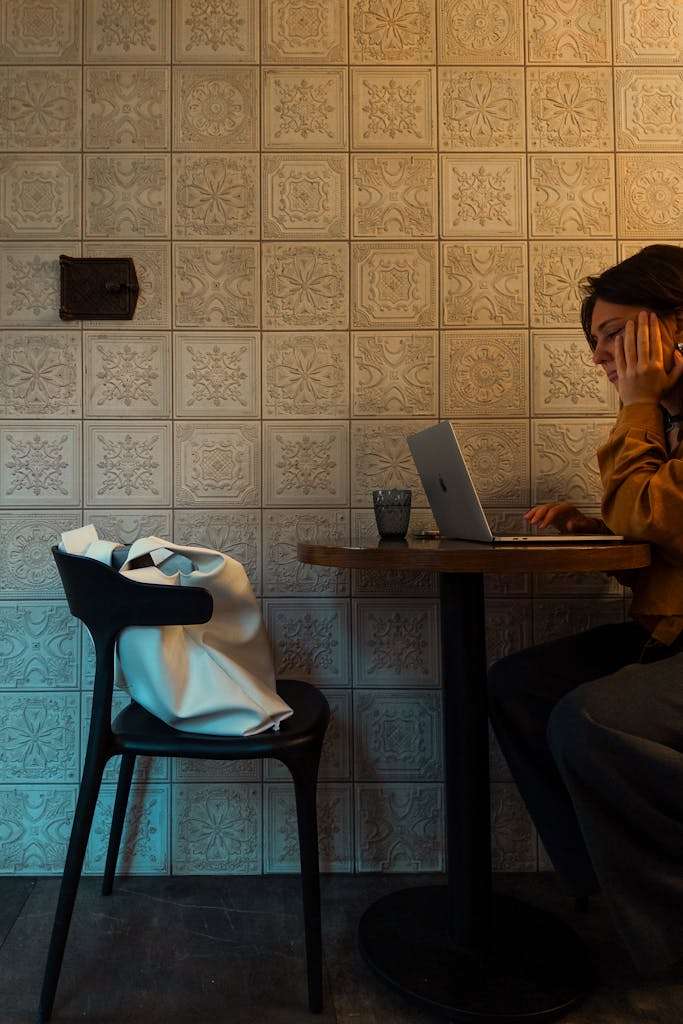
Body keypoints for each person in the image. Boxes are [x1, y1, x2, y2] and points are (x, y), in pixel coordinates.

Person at [486, 243, 683, 978]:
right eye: (595, 341)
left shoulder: (650, 413)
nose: (602, 354)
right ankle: (607, 898)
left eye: (616, 334)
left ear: (676, 325)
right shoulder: (664, 419)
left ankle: (667, 946)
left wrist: (636, 402)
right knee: (520, 685)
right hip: (666, 632)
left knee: (592, 718)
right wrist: (592, 529)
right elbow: (659, 528)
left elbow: (650, 508)